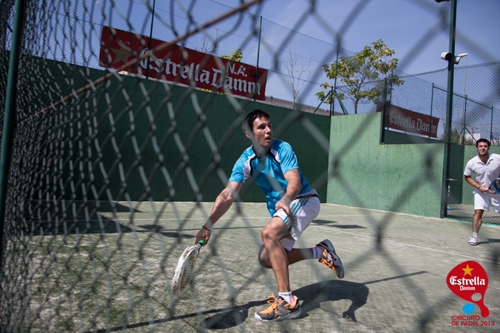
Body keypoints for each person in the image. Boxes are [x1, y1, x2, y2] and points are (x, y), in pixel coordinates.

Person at [195, 109, 344, 322]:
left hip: (303, 200)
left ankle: (287, 303)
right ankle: (320, 252)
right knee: (266, 258)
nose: (268, 130)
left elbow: (294, 180)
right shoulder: (246, 159)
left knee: (269, 234)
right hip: (284, 209)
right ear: (248, 133)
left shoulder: (282, 148)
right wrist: (207, 225)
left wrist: (286, 198)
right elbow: (228, 194)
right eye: (261, 127)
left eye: (269, 125)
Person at [463, 138, 500, 246]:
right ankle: (474, 236)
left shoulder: (497, 158)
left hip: (497, 191)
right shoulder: (471, 163)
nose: (483, 148)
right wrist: (479, 187)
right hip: (481, 191)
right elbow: (467, 177)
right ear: (476, 148)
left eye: (485, 146)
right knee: (478, 212)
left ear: (488, 147)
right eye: (480, 146)